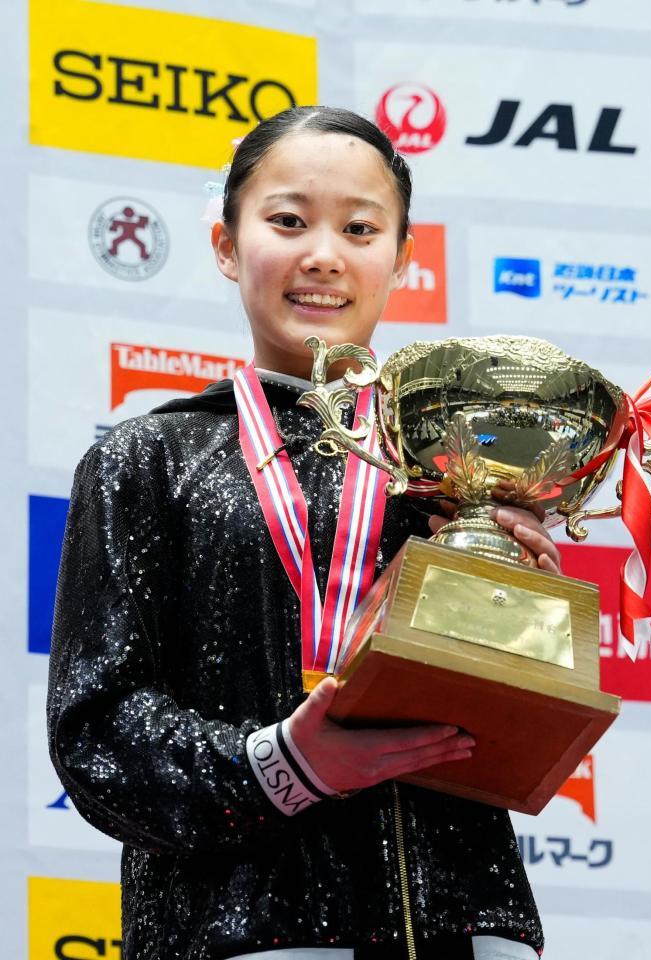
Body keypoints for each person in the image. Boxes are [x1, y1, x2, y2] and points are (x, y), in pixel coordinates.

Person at [48, 106, 562, 960]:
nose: (323, 254)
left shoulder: (451, 469)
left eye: (359, 229)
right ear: (226, 244)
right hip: (238, 928)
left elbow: (504, 733)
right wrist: (284, 762)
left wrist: (518, 600)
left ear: (401, 256)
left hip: (465, 925)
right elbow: (98, 733)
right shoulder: (146, 459)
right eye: (288, 221)